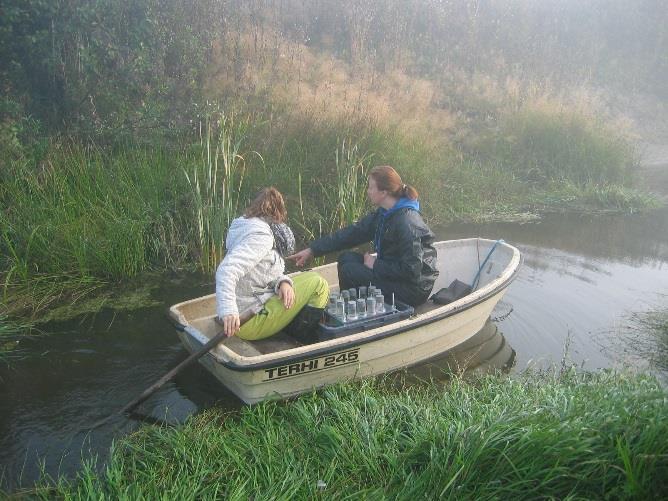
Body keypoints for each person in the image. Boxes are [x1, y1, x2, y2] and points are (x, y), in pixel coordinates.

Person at [289, 166, 438, 307]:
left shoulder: (407, 222)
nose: (368, 191)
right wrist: (313, 250)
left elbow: (411, 271)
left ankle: (356, 313)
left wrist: (375, 265)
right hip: (396, 275)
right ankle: (353, 305)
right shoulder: (385, 213)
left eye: (371, 187)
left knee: (350, 271)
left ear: (384, 192)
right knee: (346, 258)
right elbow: (352, 234)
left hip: (414, 288)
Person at [216, 187, 329, 342]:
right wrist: (229, 311)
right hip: (247, 321)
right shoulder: (262, 237)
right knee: (318, 283)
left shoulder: (246, 226)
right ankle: (302, 340)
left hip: (251, 305)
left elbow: (261, 271)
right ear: (278, 213)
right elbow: (226, 270)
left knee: (308, 280)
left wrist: (282, 282)